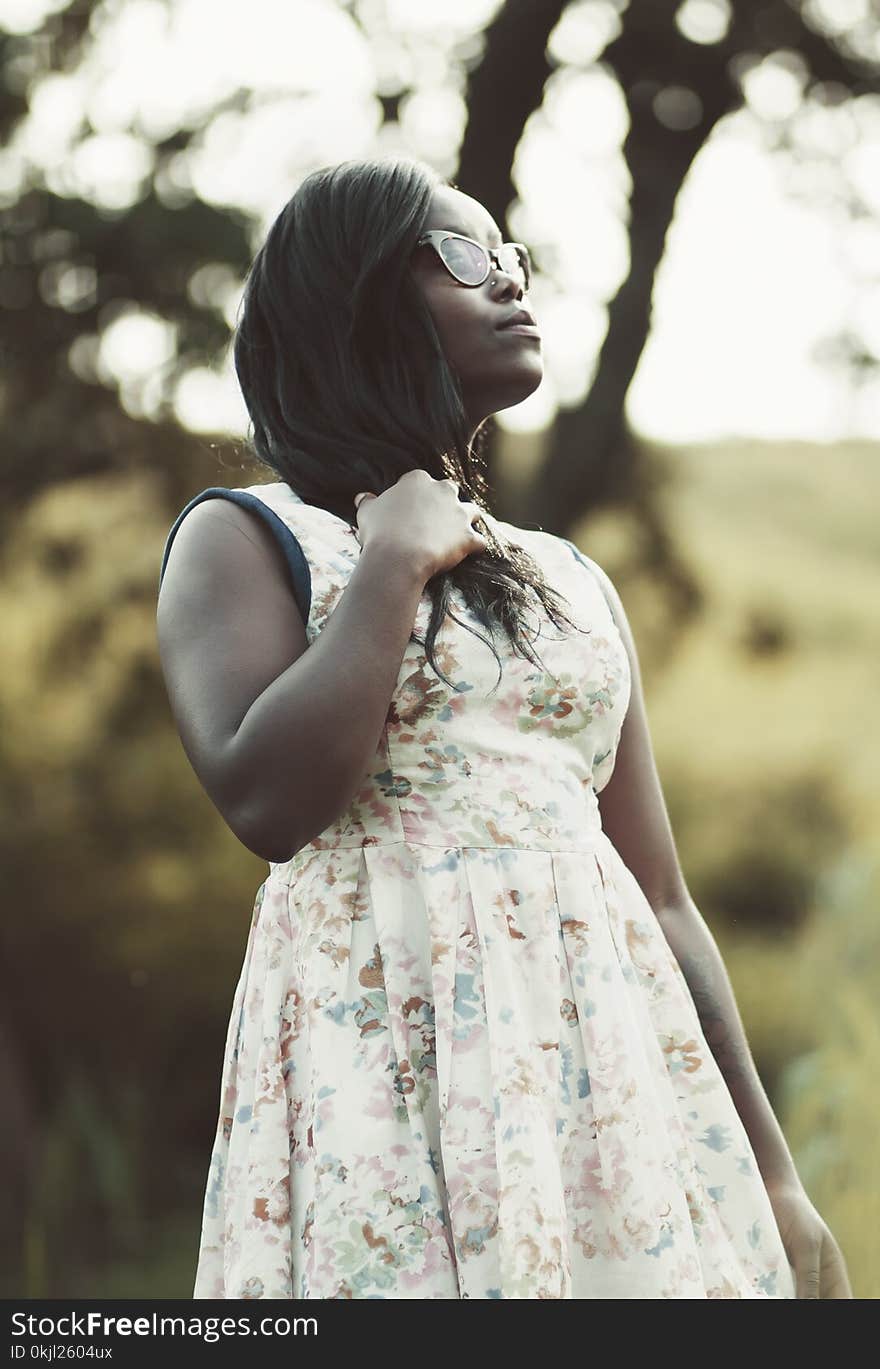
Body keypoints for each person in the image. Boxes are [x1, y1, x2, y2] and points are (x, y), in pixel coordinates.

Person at [156, 156, 851, 1300]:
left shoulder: (569, 580)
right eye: (466, 257)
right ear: (359, 296)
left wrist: (772, 1175)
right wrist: (391, 561)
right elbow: (268, 802)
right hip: (386, 1081)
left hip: (608, 1090)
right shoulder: (248, 539)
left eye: (514, 260)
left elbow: (661, 897)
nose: (512, 284)